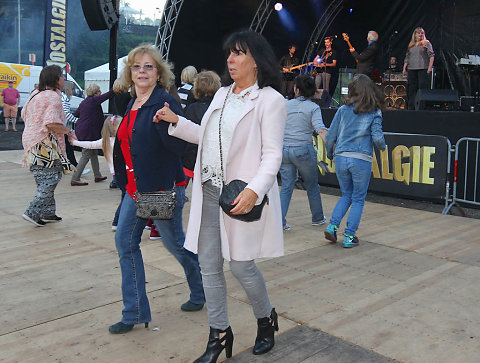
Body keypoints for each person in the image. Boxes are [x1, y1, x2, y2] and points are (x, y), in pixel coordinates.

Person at [155, 30, 286, 362]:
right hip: (209, 190)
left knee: (241, 267)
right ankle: (219, 336)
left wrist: (256, 189)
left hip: (240, 194)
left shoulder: (270, 100)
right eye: (229, 54)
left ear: (256, 60)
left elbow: (272, 154)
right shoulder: (222, 95)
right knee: (209, 266)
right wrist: (177, 121)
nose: (230, 59)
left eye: (239, 54)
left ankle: (266, 319)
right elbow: (208, 138)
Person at [109, 44, 205, 334]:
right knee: (125, 243)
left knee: (174, 244)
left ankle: (201, 289)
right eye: (136, 67)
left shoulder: (165, 102)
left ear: (159, 72)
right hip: (135, 189)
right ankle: (134, 312)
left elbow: (180, 147)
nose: (142, 72)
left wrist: (169, 124)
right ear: (130, 72)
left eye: (148, 66)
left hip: (160, 189)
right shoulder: (132, 102)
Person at [324, 74, 386, 248]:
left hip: (342, 157)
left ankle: (332, 225)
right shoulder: (374, 112)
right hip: (360, 159)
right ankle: (349, 237)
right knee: (358, 198)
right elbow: (378, 139)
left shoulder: (343, 109)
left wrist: (330, 154)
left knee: (346, 195)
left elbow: (330, 136)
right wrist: (382, 148)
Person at [21, 65, 75, 226]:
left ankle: (48, 212)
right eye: (61, 76)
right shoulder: (53, 97)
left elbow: (24, 114)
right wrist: (69, 132)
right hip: (45, 141)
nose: (64, 79)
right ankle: (33, 211)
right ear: (55, 79)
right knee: (52, 177)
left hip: (30, 140)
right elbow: (51, 122)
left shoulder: (35, 94)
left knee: (43, 177)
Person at [280, 75, 327, 232]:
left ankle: (279, 221)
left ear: (297, 89)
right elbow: (320, 129)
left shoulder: (285, 105)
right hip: (303, 150)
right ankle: (318, 218)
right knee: (312, 185)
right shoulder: (313, 108)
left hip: (284, 150)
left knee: (286, 186)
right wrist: (334, 146)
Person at [69, 115, 122, 230]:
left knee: (128, 198)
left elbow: (91, 144)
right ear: (115, 128)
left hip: (117, 174)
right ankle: (118, 222)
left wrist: (75, 142)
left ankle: (120, 222)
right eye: (121, 124)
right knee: (129, 198)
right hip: (124, 174)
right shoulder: (119, 141)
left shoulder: (105, 141)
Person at [182, 70, 222, 187]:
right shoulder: (219, 110)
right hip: (209, 163)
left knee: (178, 192)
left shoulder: (191, 108)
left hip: (189, 160)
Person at [70, 84, 113, 186]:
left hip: (83, 130)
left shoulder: (84, 102)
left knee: (93, 153)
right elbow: (109, 94)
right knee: (86, 154)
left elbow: (76, 114)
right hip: (88, 132)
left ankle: (97, 175)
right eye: (99, 91)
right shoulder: (94, 100)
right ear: (95, 93)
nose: (100, 93)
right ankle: (75, 178)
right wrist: (116, 86)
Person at [402, 27, 434, 110]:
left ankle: (421, 106)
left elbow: (431, 56)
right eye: (419, 33)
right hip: (412, 68)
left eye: (422, 33)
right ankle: (411, 106)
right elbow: (407, 57)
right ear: (415, 35)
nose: (420, 34)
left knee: (422, 87)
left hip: (422, 68)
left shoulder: (426, 43)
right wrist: (404, 68)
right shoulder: (411, 45)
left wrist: (430, 67)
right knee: (411, 88)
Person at [62, 82, 79, 167]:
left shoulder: (62, 97)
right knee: (68, 148)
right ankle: (76, 166)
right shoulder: (65, 99)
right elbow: (66, 114)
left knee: (66, 148)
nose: (73, 91)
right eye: (72, 89)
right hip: (62, 128)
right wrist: (78, 121)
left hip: (61, 127)